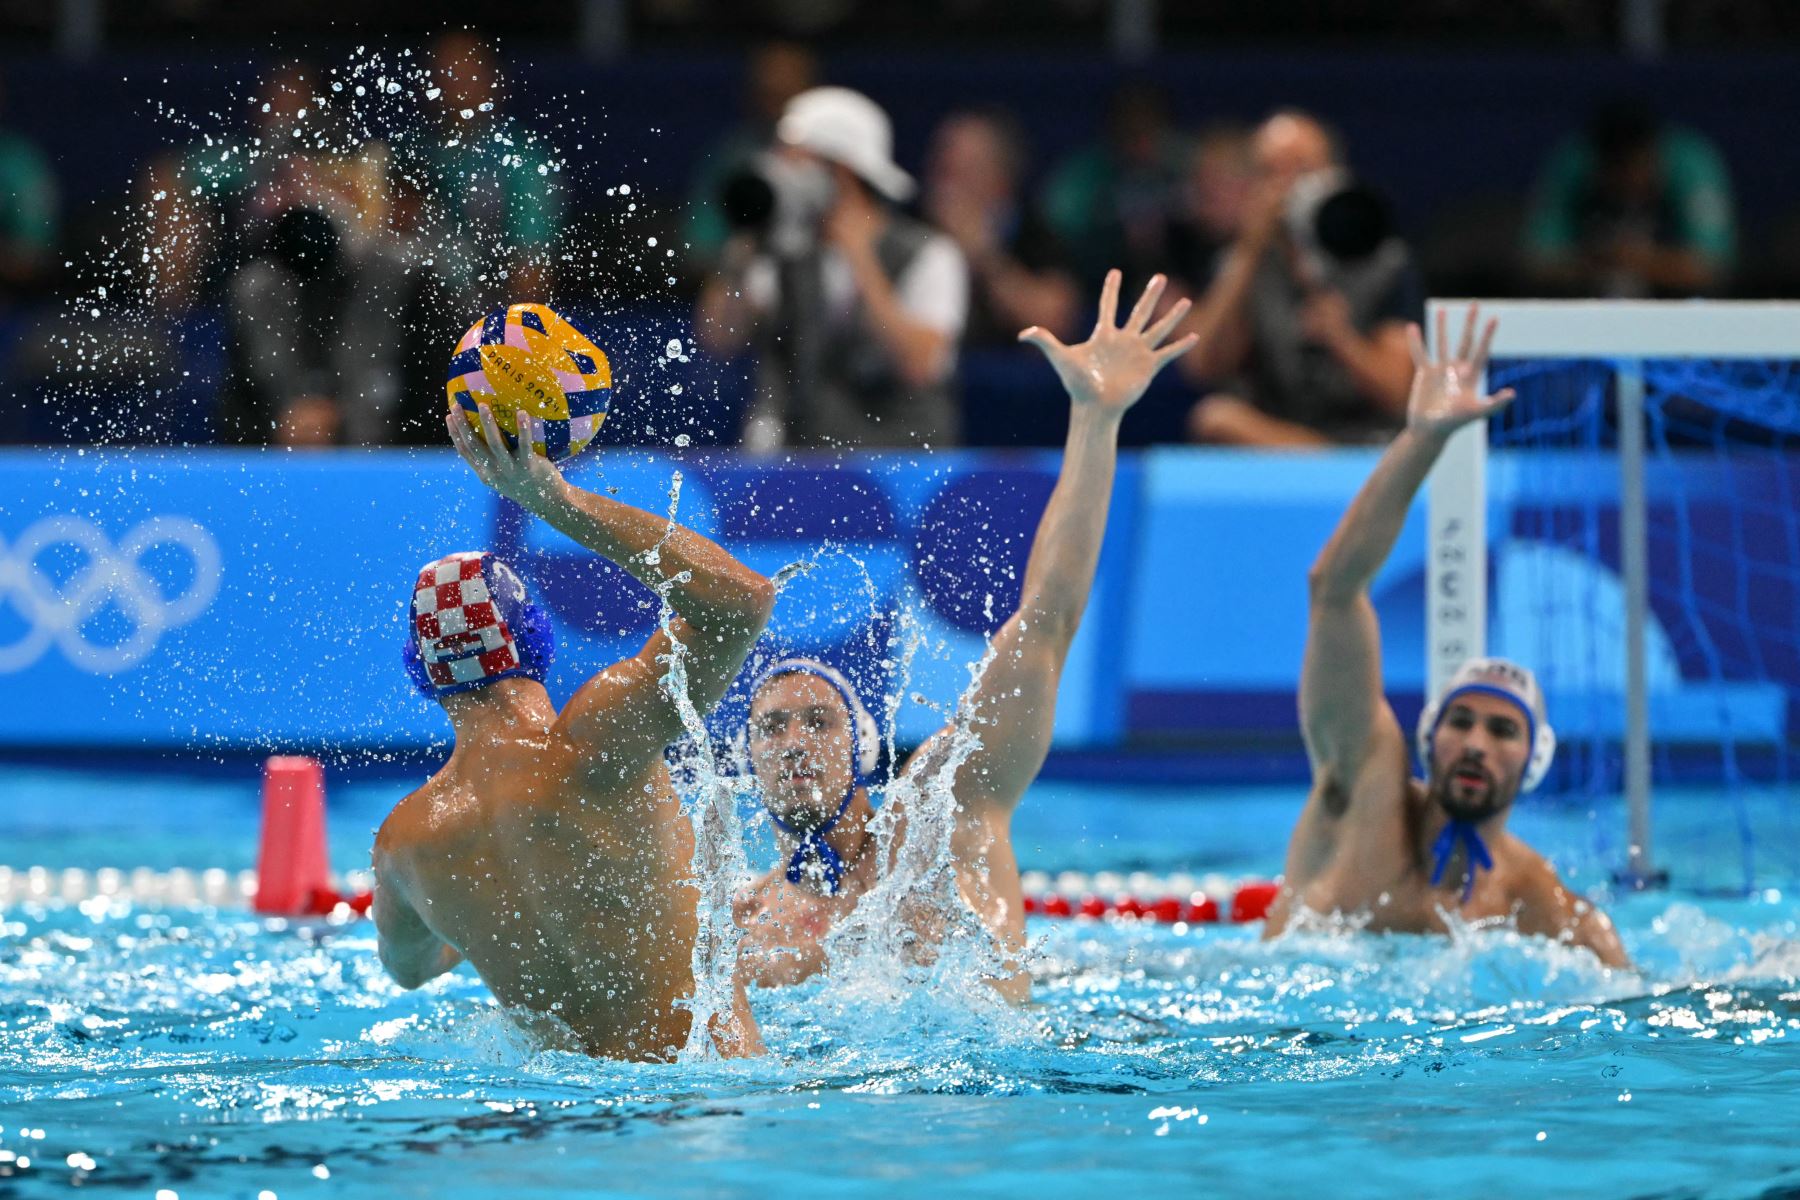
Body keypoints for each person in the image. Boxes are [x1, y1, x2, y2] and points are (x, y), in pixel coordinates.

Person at [734, 271, 1197, 995]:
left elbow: (1045, 620)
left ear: (863, 746)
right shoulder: (741, 924)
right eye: (772, 728)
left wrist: (1096, 419)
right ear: (746, 759)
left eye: (819, 721)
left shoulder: (943, 823)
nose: (794, 742)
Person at [371, 405, 777, 1059]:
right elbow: (742, 603)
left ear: (422, 674)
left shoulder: (406, 845)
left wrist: (489, 915)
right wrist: (554, 499)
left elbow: (409, 970)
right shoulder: (600, 739)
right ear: (537, 636)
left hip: (570, 1132)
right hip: (707, 1107)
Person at [1264, 303, 1628, 969]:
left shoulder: (1534, 897)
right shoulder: (1363, 783)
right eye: (1461, 721)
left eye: (1502, 731)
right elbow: (1334, 591)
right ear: (1430, 734)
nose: (1476, 744)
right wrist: (1422, 442)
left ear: (1534, 760)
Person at [694, 86, 969, 450]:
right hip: (797, 464)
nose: (779, 172)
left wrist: (861, 259)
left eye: (795, 160)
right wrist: (744, 245)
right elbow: (719, 336)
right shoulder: (781, 251)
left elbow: (920, 365)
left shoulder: (931, 253)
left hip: (897, 469)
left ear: (843, 172)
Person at [1181, 109, 1421, 448]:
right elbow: (1203, 366)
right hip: (1281, 439)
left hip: (1372, 441)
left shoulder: (1384, 262)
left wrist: (1342, 339)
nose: (1288, 187)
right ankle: (1323, 460)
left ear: (1337, 176)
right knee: (1215, 417)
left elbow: (1398, 393)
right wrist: (1247, 252)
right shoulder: (1242, 263)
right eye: (1270, 173)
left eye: (1304, 170)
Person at [1524, 99, 1735, 298]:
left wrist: (1640, 260)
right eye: (1617, 171)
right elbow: (1538, 263)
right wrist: (1596, 260)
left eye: (1636, 168)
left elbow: (1712, 266)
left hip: (1677, 308)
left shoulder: (1691, 165)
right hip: (1590, 302)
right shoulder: (1574, 165)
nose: (1628, 181)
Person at [921, 108, 1080, 349]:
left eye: (964, 171)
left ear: (1001, 181)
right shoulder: (909, 228)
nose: (946, 188)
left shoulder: (1034, 232)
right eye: (942, 170)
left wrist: (986, 258)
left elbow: (1055, 324)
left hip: (1016, 381)